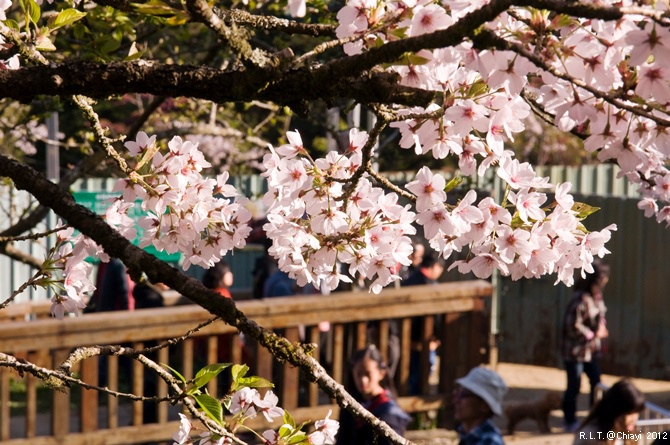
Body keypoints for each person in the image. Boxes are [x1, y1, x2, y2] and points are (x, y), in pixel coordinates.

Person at [560, 260, 611, 432]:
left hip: (590, 352)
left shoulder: (596, 297)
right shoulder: (581, 298)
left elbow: (600, 316)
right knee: (574, 386)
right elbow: (572, 324)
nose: (605, 282)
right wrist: (592, 334)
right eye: (602, 279)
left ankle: (593, 418)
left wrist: (601, 327)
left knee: (596, 383)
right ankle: (569, 420)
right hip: (575, 352)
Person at [336, 345, 411, 445]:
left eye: (368, 374)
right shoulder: (348, 406)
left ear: (381, 374)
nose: (363, 380)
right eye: (359, 374)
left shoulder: (389, 412)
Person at [573, 379, 645, 445]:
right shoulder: (590, 435)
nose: (634, 418)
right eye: (629, 413)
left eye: (637, 412)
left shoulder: (628, 433)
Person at [453, 366, 508, 445]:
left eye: (464, 395)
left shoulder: (489, 441)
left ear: (484, 406)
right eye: (456, 393)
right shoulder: (469, 437)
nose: (456, 401)